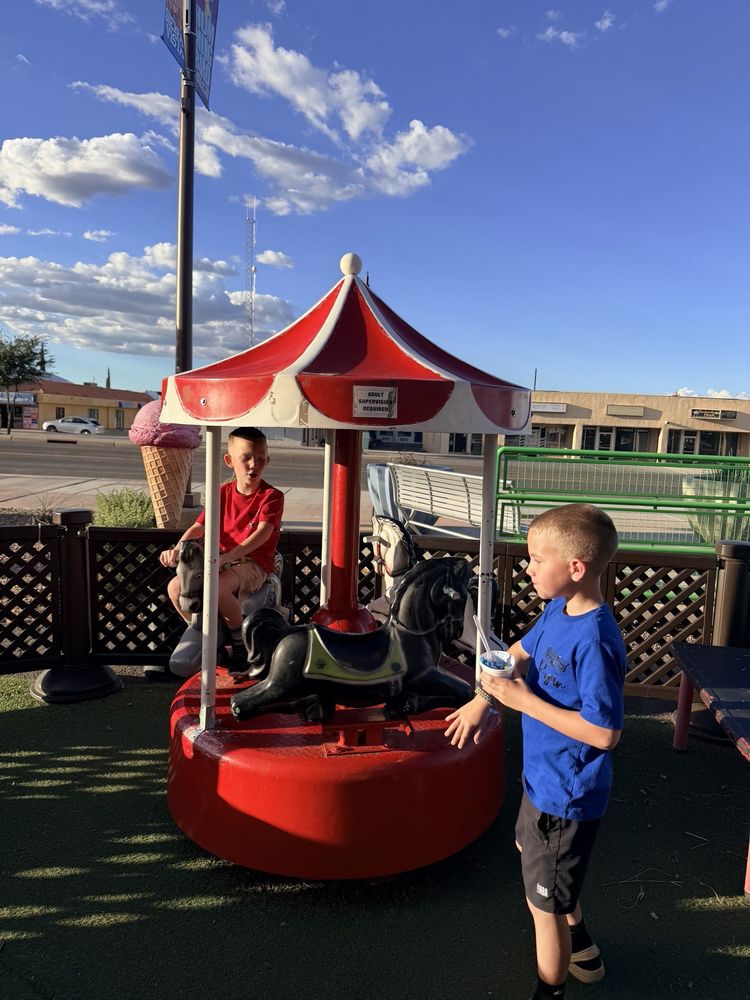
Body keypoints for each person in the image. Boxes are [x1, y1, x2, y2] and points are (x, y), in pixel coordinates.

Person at [445, 503, 626, 1000]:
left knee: (542, 908)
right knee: (535, 858)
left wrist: (522, 701)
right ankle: (582, 945)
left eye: (536, 560)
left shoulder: (595, 641)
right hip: (541, 780)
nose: (527, 569)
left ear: (575, 567)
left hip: (568, 795)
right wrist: (484, 699)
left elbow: (605, 733)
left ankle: (551, 991)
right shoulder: (557, 609)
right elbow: (518, 654)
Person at [159, 427, 284, 672]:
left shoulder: (271, 496)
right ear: (229, 461)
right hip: (221, 560)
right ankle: (202, 629)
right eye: (246, 458)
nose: (253, 465)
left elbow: (263, 534)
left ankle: (239, 642)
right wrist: (178, 549)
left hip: (253, 562)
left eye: (260, 459)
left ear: (267, 461)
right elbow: (200, 526)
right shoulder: (222, 493)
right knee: (175, 588)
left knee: (217, 587)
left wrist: (228, 556)